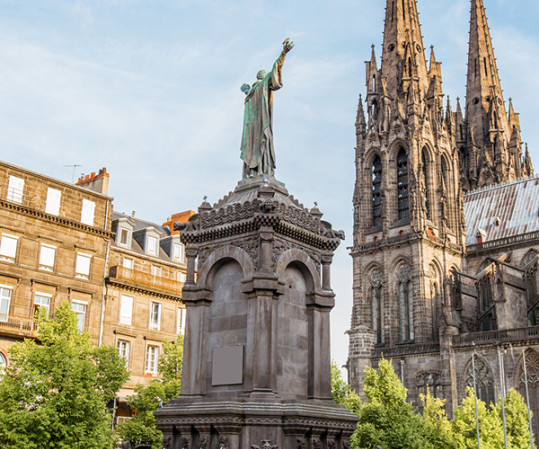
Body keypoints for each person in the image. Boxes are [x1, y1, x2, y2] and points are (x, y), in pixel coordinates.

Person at [240, 38, 294, 179]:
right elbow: (276, 67)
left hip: (252, 132)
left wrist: (247, 91)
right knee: (264, 143)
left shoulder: (251, 93)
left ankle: (253, 171)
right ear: (264, 78)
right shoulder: (259, 87)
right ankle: (262, 170)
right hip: (260, 126)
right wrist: (283, 53)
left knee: (255, 147)